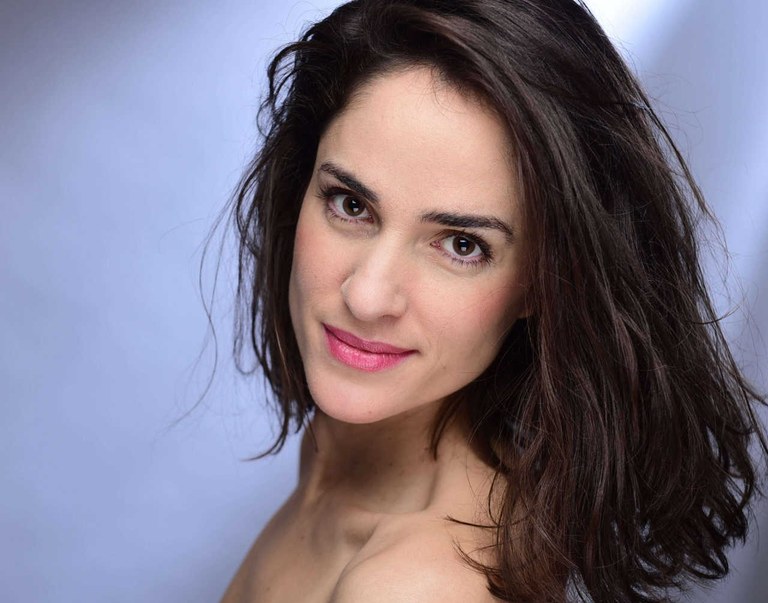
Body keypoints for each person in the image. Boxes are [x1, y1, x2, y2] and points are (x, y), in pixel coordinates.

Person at [219, 1, 768, 601]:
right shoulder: (343, 454)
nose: (368, 295)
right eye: (351, 205)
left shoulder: (416, 586)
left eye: (461, 244)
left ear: (542, 281)